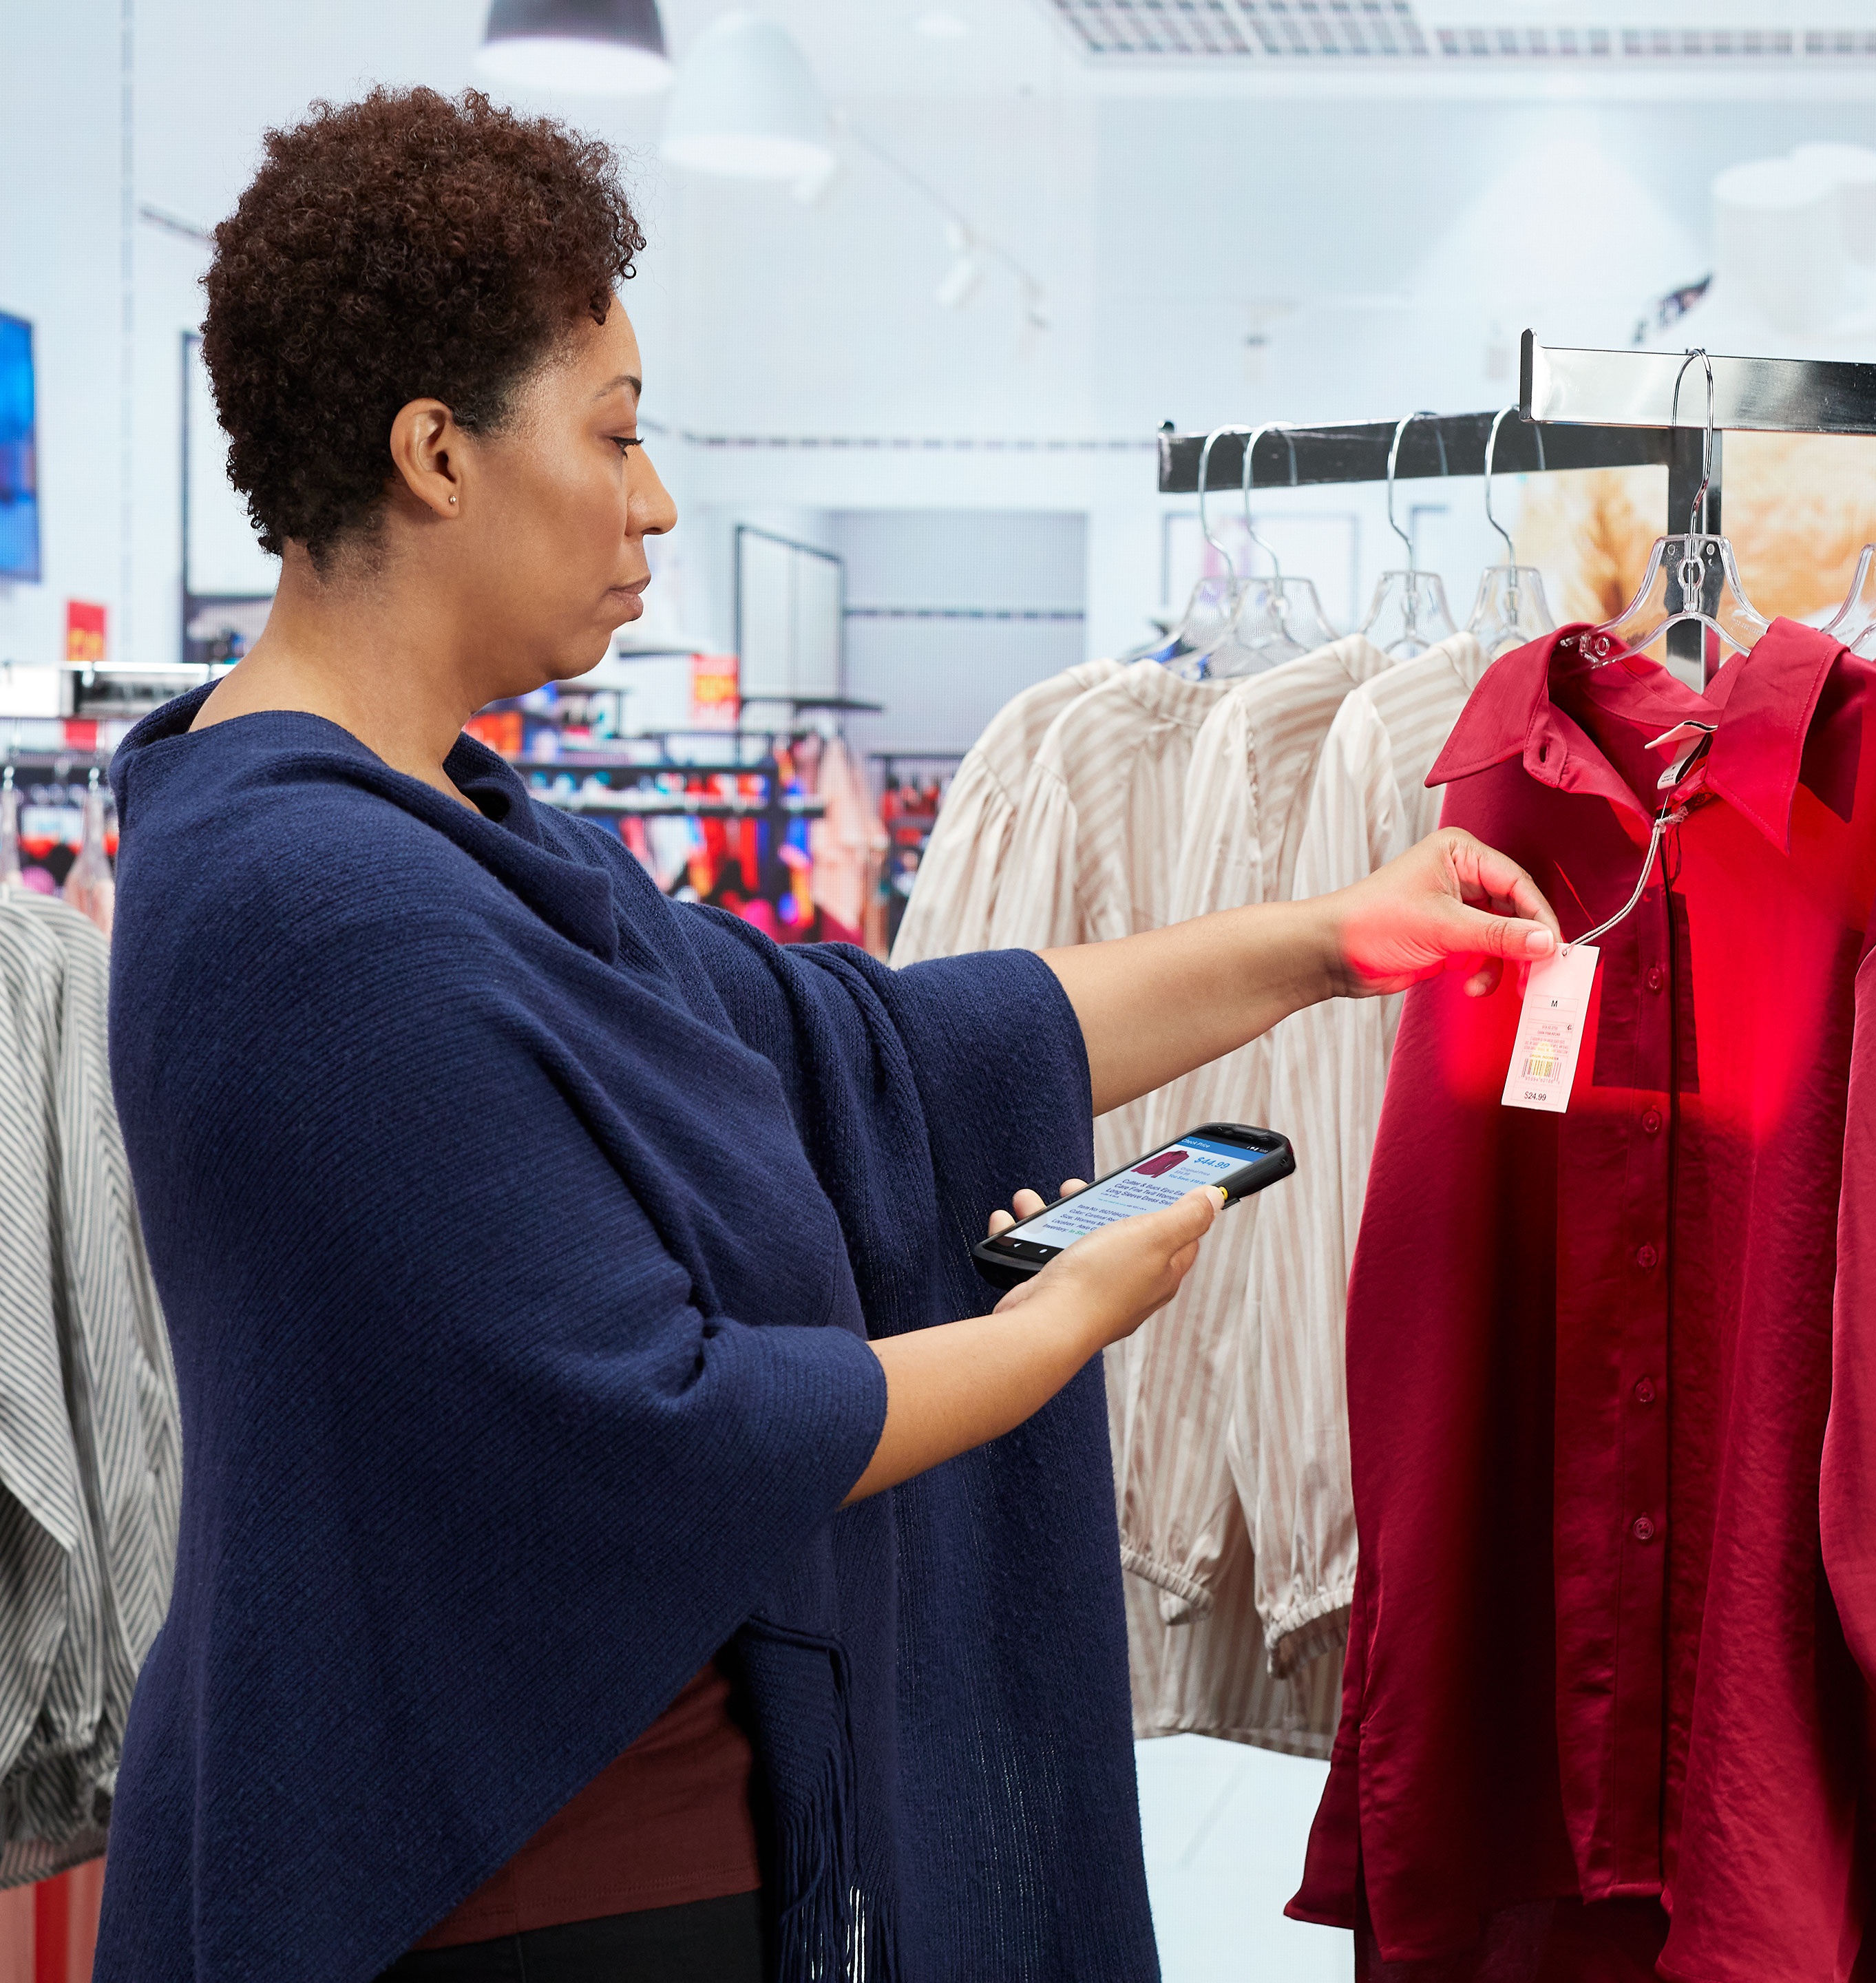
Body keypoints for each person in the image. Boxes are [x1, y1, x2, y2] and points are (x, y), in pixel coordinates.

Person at [94, 86, 1557, 1983]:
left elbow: (878, 1045)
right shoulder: (312, 910)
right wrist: (1049, 1332)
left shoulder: (462, 845)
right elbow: (653, 1421)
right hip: (496, 1892)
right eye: (615, 436)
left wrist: (1329, 939)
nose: (656, 501)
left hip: (615, 1841)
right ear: (435, 453)